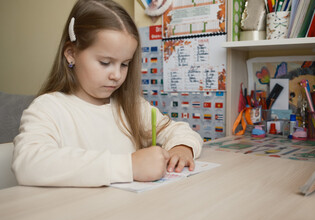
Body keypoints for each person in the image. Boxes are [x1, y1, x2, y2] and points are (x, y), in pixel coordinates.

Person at [12, 0, 203, 187]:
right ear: (71, 53)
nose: (117, 75)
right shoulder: (48, 108)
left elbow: (179, 131)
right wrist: (130, 166)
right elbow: (28, 164)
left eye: (125, 64)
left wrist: (182, 148)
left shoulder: (133, 107)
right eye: (105, 62)